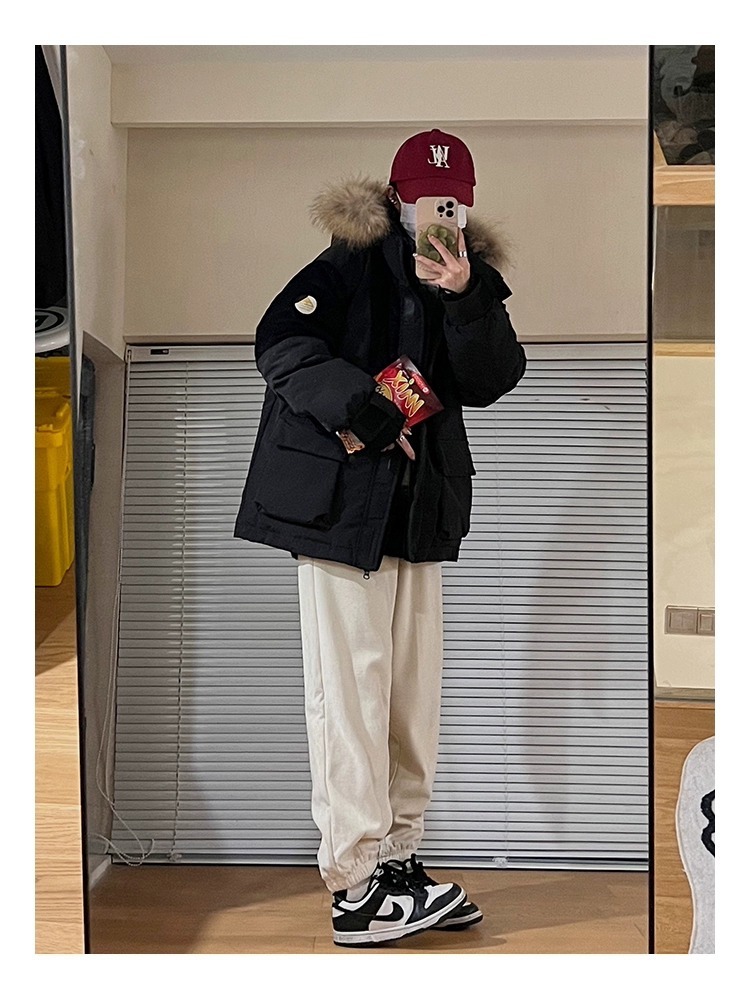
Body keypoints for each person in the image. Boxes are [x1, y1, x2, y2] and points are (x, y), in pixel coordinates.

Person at [234, 128, 527, 947]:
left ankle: (398, 861)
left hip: (419, 514)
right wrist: (366, 408)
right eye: (430, 199)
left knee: (409, 700)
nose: (443, 212)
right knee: (350, 696)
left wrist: (465, 294)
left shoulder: (467, 278)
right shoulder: (347, 263)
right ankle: (356, 885)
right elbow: (280, 345)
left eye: (455, 201)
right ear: (398, 199)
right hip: (340, 515)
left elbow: (494, 377)